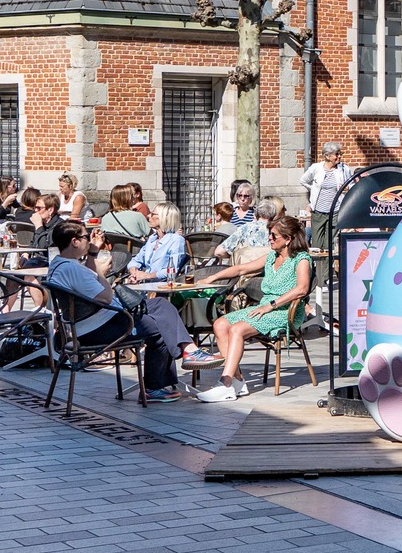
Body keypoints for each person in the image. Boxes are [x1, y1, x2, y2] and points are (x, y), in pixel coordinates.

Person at [45, 220, 200, 402]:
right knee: (160, 328)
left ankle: (190, 350)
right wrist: (101, 272)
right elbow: (105, 297)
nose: (89, 240)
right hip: (97, 328)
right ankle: (154, 386)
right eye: (86, 237)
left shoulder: (59, 264)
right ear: (75, 241)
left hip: (92, 323)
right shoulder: (72, 269)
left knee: (160, 304)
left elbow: (89, 282)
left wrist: (93, 252)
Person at [196, 214, 316, 401]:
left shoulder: (301, 259)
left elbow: (302, 289)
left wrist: (271, 305)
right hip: (265, 307)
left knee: (237, 329)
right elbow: (241, 269)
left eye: (274, 235)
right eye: (270, 234)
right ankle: (237, 380)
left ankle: (225, 383)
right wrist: (212, 278)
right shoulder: (271, 257)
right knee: (220, 324)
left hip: (285, 312)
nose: (269, 238)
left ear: (288, 239)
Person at [300, 142, 353, 257]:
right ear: (327, 156)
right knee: (317, 246)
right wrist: (313, 189)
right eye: (337, 154)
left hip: (335, 211)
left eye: (340, 154)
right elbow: (303, 180)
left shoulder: (344, 169)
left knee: (329, 246)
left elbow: (352, 184)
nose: (339, 157)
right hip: (318, 211)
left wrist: (348, 188)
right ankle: (319, 273)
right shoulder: (316, 168)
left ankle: (326, 274)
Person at [126, 204, 189, 281]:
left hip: (162, 288)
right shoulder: (153, 239)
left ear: (164, 218)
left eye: (153, 214)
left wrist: (147, 275)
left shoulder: (176, 240)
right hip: (145, 286)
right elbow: (135, 260)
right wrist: (134, 273)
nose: (148, 215)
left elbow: (172, 271)